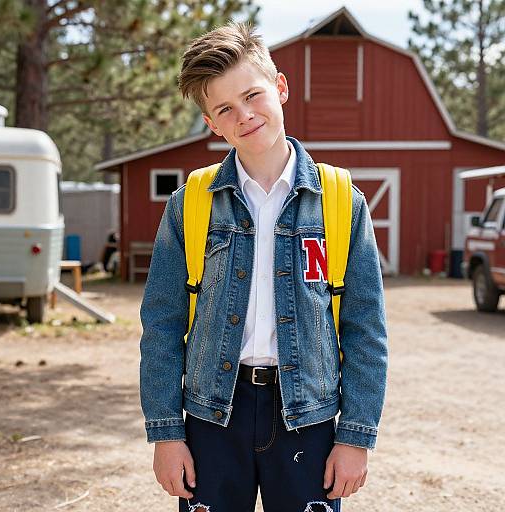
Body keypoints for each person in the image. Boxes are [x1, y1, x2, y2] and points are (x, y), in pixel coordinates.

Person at [139, 22, 388, 512]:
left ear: (281, 87)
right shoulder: (191, 204)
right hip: (212, 415)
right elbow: (162, 326)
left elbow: (366, 331)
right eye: (225, 109)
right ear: (212, 123)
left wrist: (355, 436)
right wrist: (166, 434)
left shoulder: (342, 202)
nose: (245, 116)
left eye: (253, 95)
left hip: (308, 418)